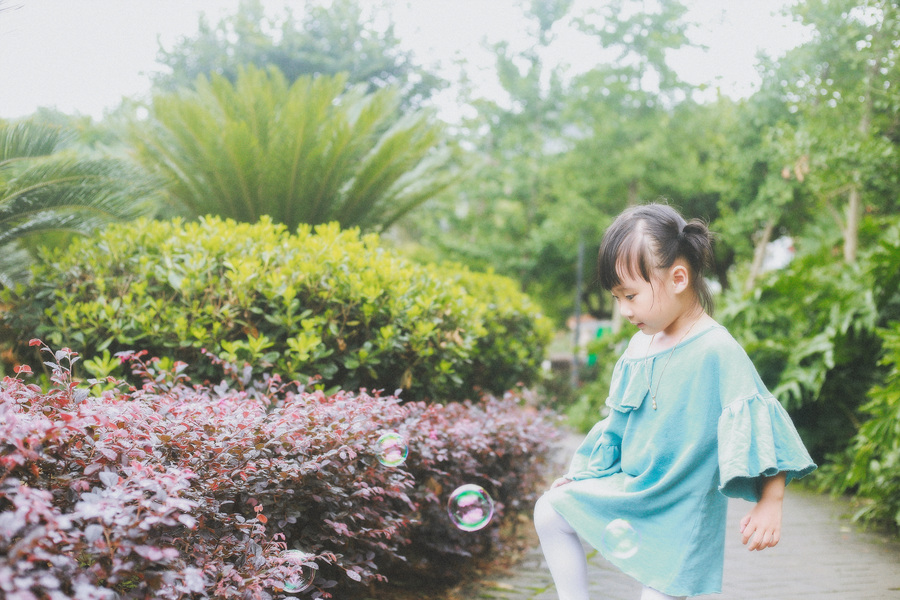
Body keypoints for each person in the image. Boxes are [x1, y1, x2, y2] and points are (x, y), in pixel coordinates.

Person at [534, 203, 816, 600]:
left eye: (630, 295)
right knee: (550, 510)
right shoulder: (638, 347)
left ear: (678, 278)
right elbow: (617, 427)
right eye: (616, 297)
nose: (624, 310)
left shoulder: (717, 350)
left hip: (683, 513)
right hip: (635, 491)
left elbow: (760, 424)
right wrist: (583, 473)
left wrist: (771, 501)